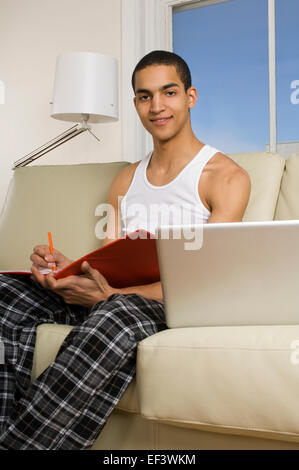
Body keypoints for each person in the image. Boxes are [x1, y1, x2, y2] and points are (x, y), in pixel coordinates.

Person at [0, 50, 250, 449]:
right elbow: (110, 266)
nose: (157, 106)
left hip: (167, 304)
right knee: (6, 293)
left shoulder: (225, 178)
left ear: (191, 96)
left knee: (117, 311)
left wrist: (111, 296)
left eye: (168, 92)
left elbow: (202, 284)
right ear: (135, 103)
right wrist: (70, 272)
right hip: (112, 298)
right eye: (144, 96)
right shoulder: (124, 181)